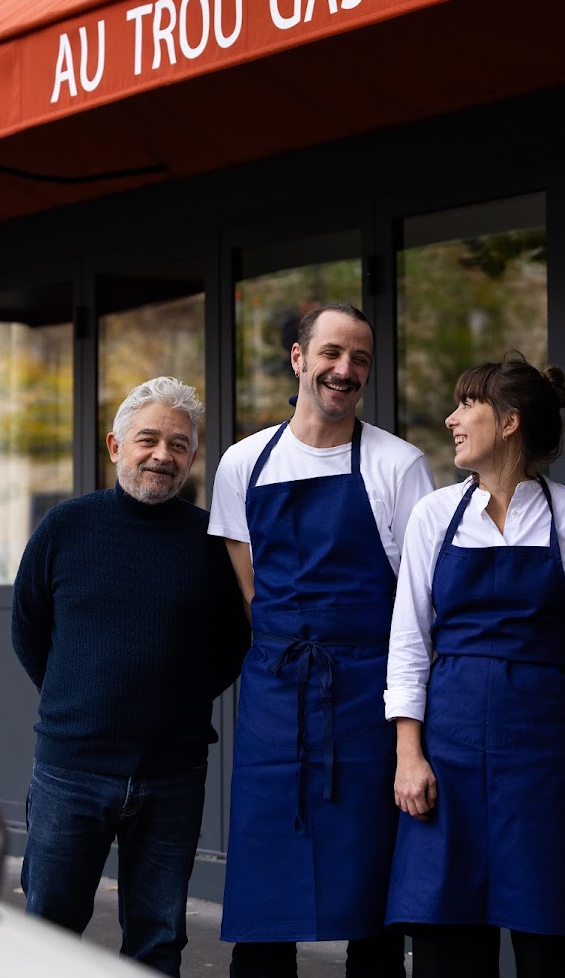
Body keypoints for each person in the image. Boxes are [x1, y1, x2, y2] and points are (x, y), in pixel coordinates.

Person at [384, 356, 565, 978]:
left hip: (543, 752)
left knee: (544, 935)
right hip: (449, 748)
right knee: (447, 940)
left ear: (510, 421)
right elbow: (410, 639)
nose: (451, 419)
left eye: (466, 405)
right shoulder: (434, 516)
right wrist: (408, 754)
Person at [209, 302, 436, 978]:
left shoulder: (400, 465)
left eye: (360, 359)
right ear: (299, 359)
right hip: (277, 703)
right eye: (333, 353)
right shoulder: (242, 463)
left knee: (372, 909)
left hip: (367, 703)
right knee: (264, 901)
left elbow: (418, 608)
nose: (345, 370)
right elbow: (252, 593)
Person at [11, 376, 250, 976]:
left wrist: (178, 701)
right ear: (116, 446)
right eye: (148, 440)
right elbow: (28, 631)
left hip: (172, 774)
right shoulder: (65, 528)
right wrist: (80, 700)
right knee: (48, 930)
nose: (162, 456)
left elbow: (231, 643)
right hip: (72, 769)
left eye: (178, 444)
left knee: (158, 939)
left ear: (193, 457)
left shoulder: (210, 542)